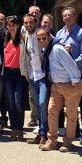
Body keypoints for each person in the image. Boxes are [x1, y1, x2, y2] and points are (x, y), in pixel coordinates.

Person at [39, 28, 82, 153]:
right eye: (39, 39)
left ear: (49, 36)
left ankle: (68, 142)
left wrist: (75, 81)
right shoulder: (46, 50)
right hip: (56, 86)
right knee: (51, 112)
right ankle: (52, 141)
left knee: (71, 115)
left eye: (44, 37)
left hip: (70, 85)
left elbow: (70, 64)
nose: (42, 40)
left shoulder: (57, 48)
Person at [54, 6, 82, 144]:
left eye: (70, 15)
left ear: (75, 17)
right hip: (65, 76)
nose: (67, 17)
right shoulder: (59, 34)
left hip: (80, 73)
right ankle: (74, 130)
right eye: (65, 15)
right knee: (70, 104)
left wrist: (71, 65)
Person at [22, 14, 48, 145]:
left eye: (30, 23)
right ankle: (41, 134)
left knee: (43, 104)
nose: (28, 25)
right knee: (38, 106)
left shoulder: (40, 34)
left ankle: (44, 133)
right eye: (26, 23)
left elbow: (52, 41)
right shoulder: (25, 37)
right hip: (32, 76)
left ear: (35, 22)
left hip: (43, 76)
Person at [2, 15, 28, 141]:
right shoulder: (5, 39)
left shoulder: (23, 39)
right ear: (7, 26)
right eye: (9, 25)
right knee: (10, 102)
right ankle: (13, 129)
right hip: (7, 73)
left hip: (19, 73)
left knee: (18, 102)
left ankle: (20, 129)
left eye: (14, 24)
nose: (11, 27)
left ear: (18, 26)